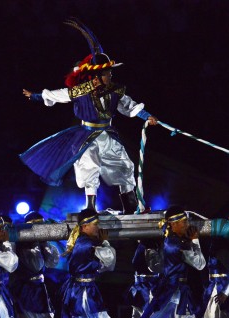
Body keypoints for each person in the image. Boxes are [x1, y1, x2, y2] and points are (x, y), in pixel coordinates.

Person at [21, 18, 157, 214]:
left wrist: (147, 116)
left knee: (125, 165)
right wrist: (35, 96)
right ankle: (91, 208)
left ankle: (131, 206)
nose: (111, 76)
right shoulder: (81, 91)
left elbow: (129, 106)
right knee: (89, 166)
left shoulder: (115, 91)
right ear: (97, 75)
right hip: (86, 136)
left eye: (110, 72)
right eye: (107, 73)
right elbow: (60, 95)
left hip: (108, 135)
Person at [118, 206, 209, 318]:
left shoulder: (176, 241)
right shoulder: (176, 244)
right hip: (171, 294)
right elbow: (200, 264)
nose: (186, 225)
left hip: (182, 293)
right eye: (182, 222)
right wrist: (196, 241)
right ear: (172, 225)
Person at [44, 208, 127, 318]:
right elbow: (109, 261)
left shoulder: (86, 242)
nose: (98, 228)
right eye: (95, 225)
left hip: (84, 289)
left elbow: (104, 265)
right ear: (84, 227)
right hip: (83, 293)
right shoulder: (86, 244)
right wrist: (105, 243)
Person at [11, 211, 79, 318]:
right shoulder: (23, 246)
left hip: (38, 292)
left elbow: (53, 261)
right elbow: (35, 265)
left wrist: (45, 243)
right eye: (37, 225)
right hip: (27, 295)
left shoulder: (39, 245)